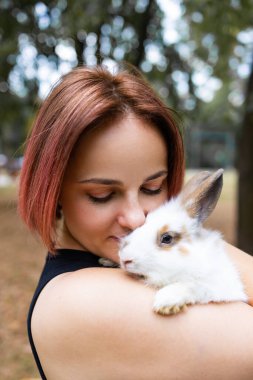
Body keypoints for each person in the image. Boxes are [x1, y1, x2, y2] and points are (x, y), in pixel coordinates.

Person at [18, 64, 253, 380]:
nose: (136, 218)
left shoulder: (155, 250)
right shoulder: (77, 301)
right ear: (55, 189)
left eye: (152, 188)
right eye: (102, 194)